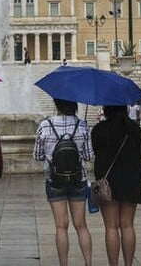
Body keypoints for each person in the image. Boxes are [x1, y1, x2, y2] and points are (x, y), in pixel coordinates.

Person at [34, 98, 93, 266]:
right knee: (81, 225)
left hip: (55, 180)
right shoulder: (82, 125)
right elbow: (89, 156)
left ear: (56, 105)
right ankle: (88, 263)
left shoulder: (46, 125)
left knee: (61, 226)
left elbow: (37, 156)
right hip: (78, 179)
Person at [91, 105, 141, 266]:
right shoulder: (134, 129)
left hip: (107, 183)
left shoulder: (99, 129)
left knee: (111, 227)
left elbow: (94, 150)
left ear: (107, 109)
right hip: (131, 180)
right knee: (128, 225)